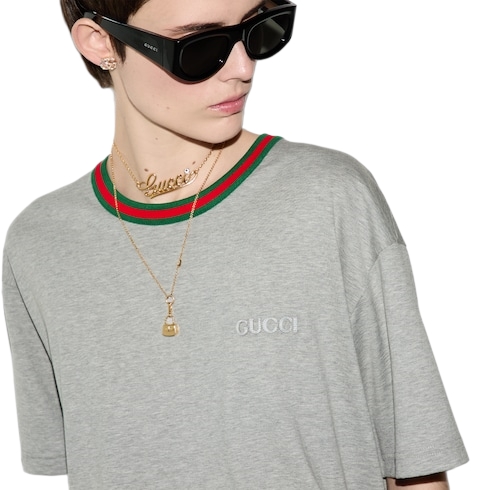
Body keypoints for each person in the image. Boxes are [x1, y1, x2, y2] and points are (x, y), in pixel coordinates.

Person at [2, 0, 468, 488]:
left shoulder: (329, 199)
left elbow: (414, 462)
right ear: (100, 43)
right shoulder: (40, 244)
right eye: (199, 46)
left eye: (259, 30)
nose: (243, 69)